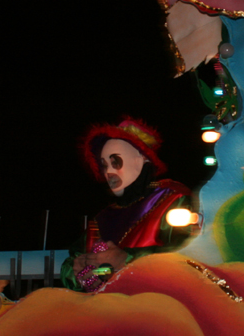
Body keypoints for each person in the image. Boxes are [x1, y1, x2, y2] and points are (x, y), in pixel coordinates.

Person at [61, 118, 194, 291]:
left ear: (141, 160)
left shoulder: (172, 198)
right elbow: (75, 264)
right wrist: (77, 272)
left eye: (115, 162)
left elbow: (190, 256)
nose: (109, 172)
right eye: (104, 166)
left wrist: (127, 260)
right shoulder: (101, 220)